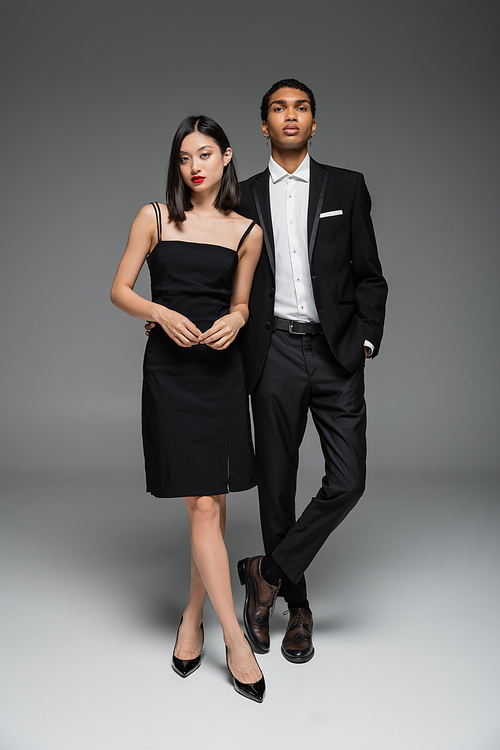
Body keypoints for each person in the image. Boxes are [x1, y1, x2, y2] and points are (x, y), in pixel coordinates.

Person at [111, 115, 265, 702]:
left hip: (221, 372)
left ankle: (192, 617)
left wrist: (237, 318)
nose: (194, 166)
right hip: (172, 373)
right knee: (202, 502)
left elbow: (243, 303)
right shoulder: (154, 217)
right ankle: (235, 638)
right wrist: (160, 312)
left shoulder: (247, 231)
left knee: (212, 504)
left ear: (227, 157)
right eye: (183, 157)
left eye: (205, 154)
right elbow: (119, 289)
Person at [234, 79, 388, 663]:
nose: (290, 116)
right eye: (279, 108)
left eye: (301, 108)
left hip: (336, 353)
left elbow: (370, 273)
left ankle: (264, 572)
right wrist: (167, 314)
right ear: (264, 125)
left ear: (314, 123)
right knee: (276, 485)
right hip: (271, 351)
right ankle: (296, 606)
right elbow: (221, 273)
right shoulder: (242, 196)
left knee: (348, 481)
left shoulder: (346, 187)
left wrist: (366, 340)